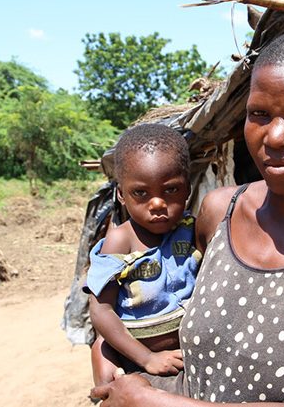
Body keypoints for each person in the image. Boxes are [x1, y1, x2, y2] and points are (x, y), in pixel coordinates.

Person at [90, 27, 284, 407]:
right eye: (259, 114)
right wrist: (105, 348)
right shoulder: (218, 212)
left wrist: (149, 403)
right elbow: (149, 297)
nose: (274, 136)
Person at [84, 123, 202, 386]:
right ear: (122, 195)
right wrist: (147, 357)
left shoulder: (192, 230)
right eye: (141, 193)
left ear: (188, 189)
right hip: (133, 356)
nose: (157, 203)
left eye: (170, 190)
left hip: (185, 355)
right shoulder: (120, 240)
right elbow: (101, 310)